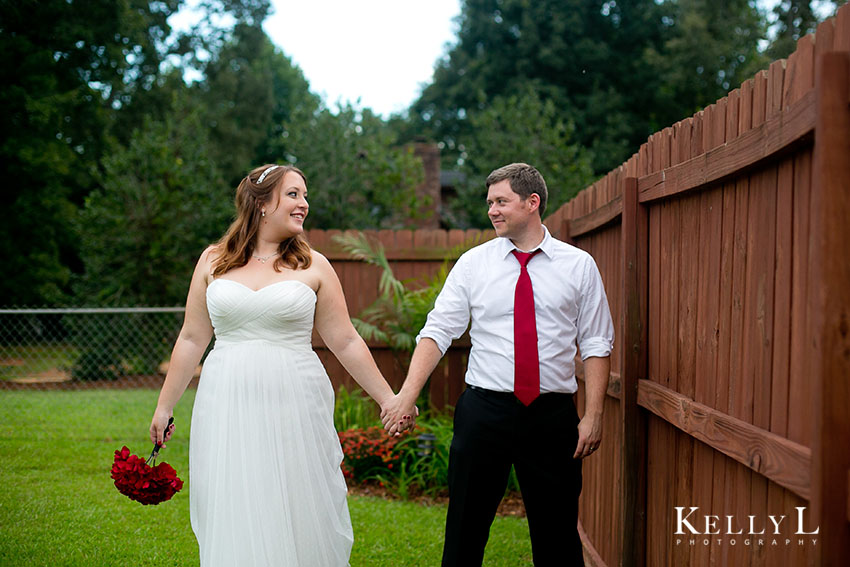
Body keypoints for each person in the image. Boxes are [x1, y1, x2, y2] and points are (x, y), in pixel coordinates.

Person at [149, 164, 413, 567]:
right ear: (260, 204)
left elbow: (344, 340)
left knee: (296, 500)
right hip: (226, 403)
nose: (304, 204)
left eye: (305, 196)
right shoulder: (213, 261)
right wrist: (165, 406)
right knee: (236, 498)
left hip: (295, 403)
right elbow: (191, 338)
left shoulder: (314, 265)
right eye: (293, 194)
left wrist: (388, 399)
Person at [381, 163, 614, 566]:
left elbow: (596, 342)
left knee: (557, 533)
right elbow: (437, 331)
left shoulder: (579, 266)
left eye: (501, 201)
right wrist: (406, 394)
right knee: (465, 530)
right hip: (484, 412)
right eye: (490, 202)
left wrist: (593, 416)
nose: (492, 210)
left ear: (532, 202)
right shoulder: (474, 265)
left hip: (552, 416)